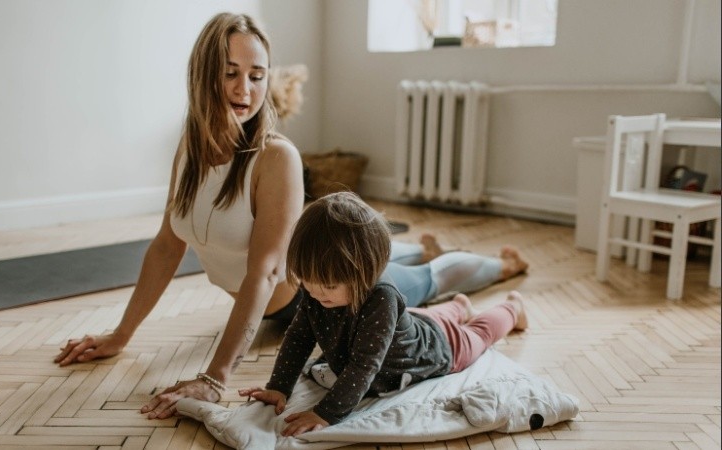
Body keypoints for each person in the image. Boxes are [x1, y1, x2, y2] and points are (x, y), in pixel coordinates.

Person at [53, 12, 528, 419]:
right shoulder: (189, 151)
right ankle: (417, 254)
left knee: (426, 280)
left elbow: (264, 272)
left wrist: (215, 378)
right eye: (230, 73)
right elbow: (165, 247)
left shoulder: (275, 157)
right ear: (202, 74)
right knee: (401, 264)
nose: (245, 89)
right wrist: (121, 335)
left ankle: (501, 267)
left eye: (257, 75)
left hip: (325, 293)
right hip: (310, 282)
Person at [238, 192, 528, 436]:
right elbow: (299, 337)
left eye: (328, 286)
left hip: (438, 347)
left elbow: (364, 365)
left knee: (479, 333)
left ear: (365, 273)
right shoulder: (317, 291)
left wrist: (325, 413)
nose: (314, 292)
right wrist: (279, 386)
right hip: (413, 322)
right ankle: (460, 306)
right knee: (429, 319)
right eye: (307, 282)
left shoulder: (382, 298)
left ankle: (513, 308)